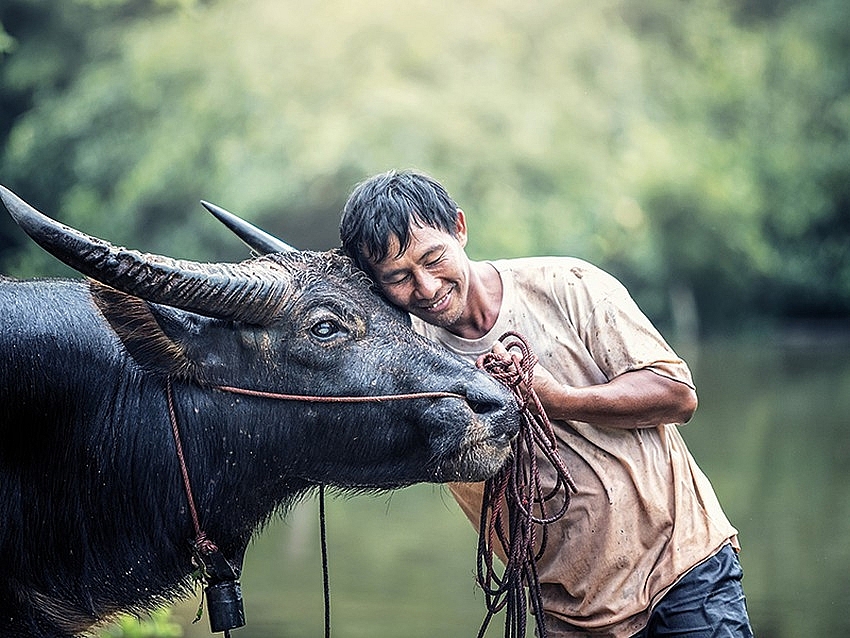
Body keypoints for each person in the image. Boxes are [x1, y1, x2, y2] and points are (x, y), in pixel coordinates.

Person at [339, 169, 753, 638]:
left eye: (433, 259)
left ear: (460, 227)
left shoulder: (568, 284)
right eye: (399, 278)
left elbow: (677, 395)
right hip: (566, 606)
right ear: (375, 286)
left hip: (679, 567)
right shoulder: (406, 360)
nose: (428, 287)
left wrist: (561, 401)